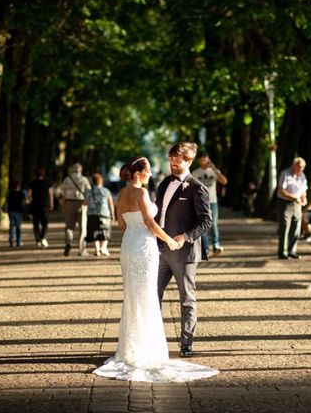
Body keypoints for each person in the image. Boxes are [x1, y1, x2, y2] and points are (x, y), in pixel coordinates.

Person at [93, 156, 218, 382]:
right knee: (147, 296)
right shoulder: (141, 193)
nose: (151, 173)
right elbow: (151, 224)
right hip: (144, 247)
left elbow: (121, 225)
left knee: (133, 297)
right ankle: (146, 350)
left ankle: (130, 348)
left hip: (129, 246)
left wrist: (135, 227)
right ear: (138, 173)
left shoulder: (122, 194)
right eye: (148, 170)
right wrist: (170, 240)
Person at [156, 142, 213, 358]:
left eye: (177, 160)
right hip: (160, 250)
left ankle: (186, 343)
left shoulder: (197, 187)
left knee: (187, 299)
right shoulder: (164, 184)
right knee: (152, 295)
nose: (172, 163)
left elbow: (206, 221)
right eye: (171, 159)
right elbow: (158, 215)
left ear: (188, 161)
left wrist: (186, 236)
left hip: (184, 253)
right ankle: (153, 340)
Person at [192, 152, 228, 257]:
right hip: (201, 203)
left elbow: (224, 181)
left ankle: (216, 246)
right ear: (199, 161)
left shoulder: (214, 171)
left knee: (214, 224)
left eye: (206, 159)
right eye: (202, 160)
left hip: (213, 201)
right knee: (203, 225)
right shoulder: (195, 173)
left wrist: (215, 169)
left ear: (209, 160)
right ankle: (206, 248)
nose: (204, 162)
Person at [276, 157, 308, 259]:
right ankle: (283, 251)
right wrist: (293, 197)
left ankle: (292, 250)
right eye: (299, 167)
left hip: (298, 205)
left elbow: (303, 190)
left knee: (296, 228)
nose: (301, 169)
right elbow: (280, 190)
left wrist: (304, 198)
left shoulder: (302, 176)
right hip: (286, 203)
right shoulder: (285, 174)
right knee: (285, 227)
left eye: (302, 168)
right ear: (294, 165)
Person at [60, 163, 91, 256]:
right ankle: (81, 249)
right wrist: (85, 203)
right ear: (80, 170)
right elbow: (88, 193)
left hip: (69, 203)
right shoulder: (84, 179)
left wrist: (63, 206)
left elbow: (63, 195)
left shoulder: (67, 179)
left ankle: (68, 243)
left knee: (69, 226)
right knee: (82, 228)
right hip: (81, 203)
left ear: (73, 170)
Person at [84, 173, 115, 256]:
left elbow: (85, 203)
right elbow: (111, 204)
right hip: (104, 214)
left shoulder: (89, 192)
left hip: (92, 214)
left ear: (92, 182)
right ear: (101, 181)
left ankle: (97, 250)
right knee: (106, 231)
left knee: (95, 232)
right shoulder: (106, 191)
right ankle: (103, 248)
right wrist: (113, 214)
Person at [28, 167, 54, 247]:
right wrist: (51, 204)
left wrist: (29, 204)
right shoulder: (47, 183)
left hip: (35, 206)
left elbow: (29, 195)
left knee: (36, 223)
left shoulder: (32, 183)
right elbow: (51, 194)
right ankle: (43, 237)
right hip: (44, 206)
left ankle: (38, 239)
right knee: (44, 223)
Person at [6, 180, 27, 247]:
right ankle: (18, 241)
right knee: (18, 227)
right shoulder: (21, 193)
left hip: (11, 211)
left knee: (11, 226)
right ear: (19, 186)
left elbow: (7, 201)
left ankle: (11, 240)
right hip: (19, 211)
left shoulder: (10, 193)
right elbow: (24, 202)